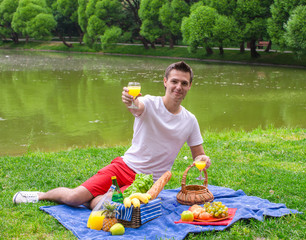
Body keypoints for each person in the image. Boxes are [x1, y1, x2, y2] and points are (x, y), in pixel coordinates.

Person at [13, 61, 211, 209]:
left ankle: (97, 199)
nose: (178, 87)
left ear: (190, 86)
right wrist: (129, 100)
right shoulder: (149, 103)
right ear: (165, 81)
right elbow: (136, 106)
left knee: (108, 206)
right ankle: (40, 195)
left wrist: (203, 160)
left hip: (149, 182)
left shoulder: (190, 120)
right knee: (74, 198)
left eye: (184, 83)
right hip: (124, 167)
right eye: (174, 81)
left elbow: (198, 156)